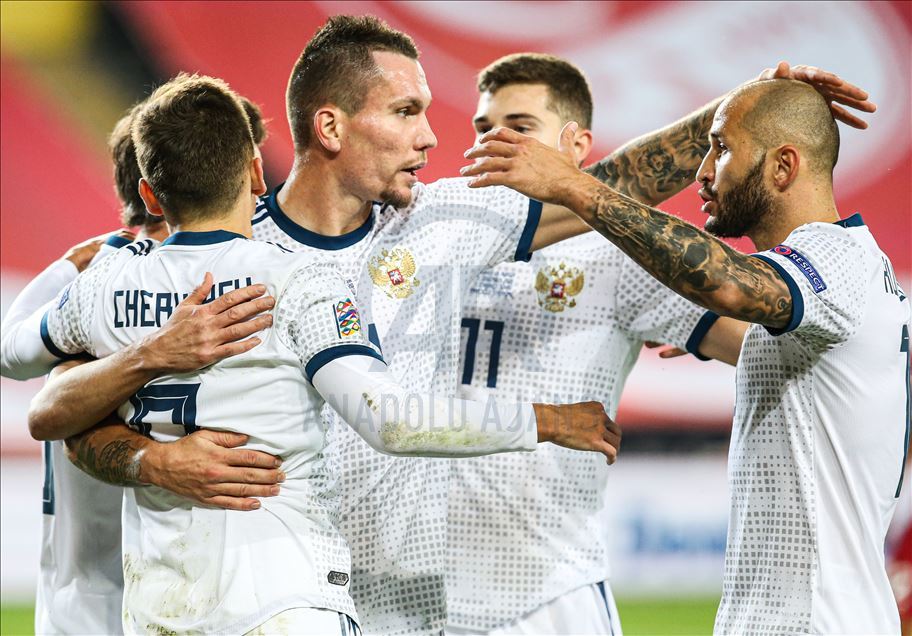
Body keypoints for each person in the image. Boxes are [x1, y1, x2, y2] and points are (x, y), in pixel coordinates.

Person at [19, 15, 879, 634]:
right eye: (405, 112)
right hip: (270, 602)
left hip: (431, 602)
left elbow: (609, 184)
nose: (432, 138)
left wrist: (745, 104)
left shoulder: (440, 221)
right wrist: (153, 459)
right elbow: (70, 415)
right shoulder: (229, 265)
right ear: (331, 126)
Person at [17, 72, 617, 634]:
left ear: (151, 194)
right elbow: (393, 420)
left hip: (161, 605)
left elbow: (21, 369)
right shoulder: (301, 280)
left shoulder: (101, 285)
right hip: (284, 598)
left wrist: (142, 355)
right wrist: (546, 420)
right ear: (257, 173)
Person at [461, 76, 909, 634]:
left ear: (783, 166)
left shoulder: (834, 258)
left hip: (814, 622)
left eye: (721, 149)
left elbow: (731, 288)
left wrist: (577, 188)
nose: (702, 171)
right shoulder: (845, 277)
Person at [447, 52, 746, 636]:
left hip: (551, 597)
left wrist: (705, 328)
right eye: (483, 127)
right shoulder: (443, 241)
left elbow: (760, 346)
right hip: (422, 596)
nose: (494, 141)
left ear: (577, 144)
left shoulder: (617, 253)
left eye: (520, 126)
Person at [0, 97, 279, 635]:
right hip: (157, 599)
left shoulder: (94, 280)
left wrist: (69, 264)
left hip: (87, 606)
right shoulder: (243, 285)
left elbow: (12, 355)